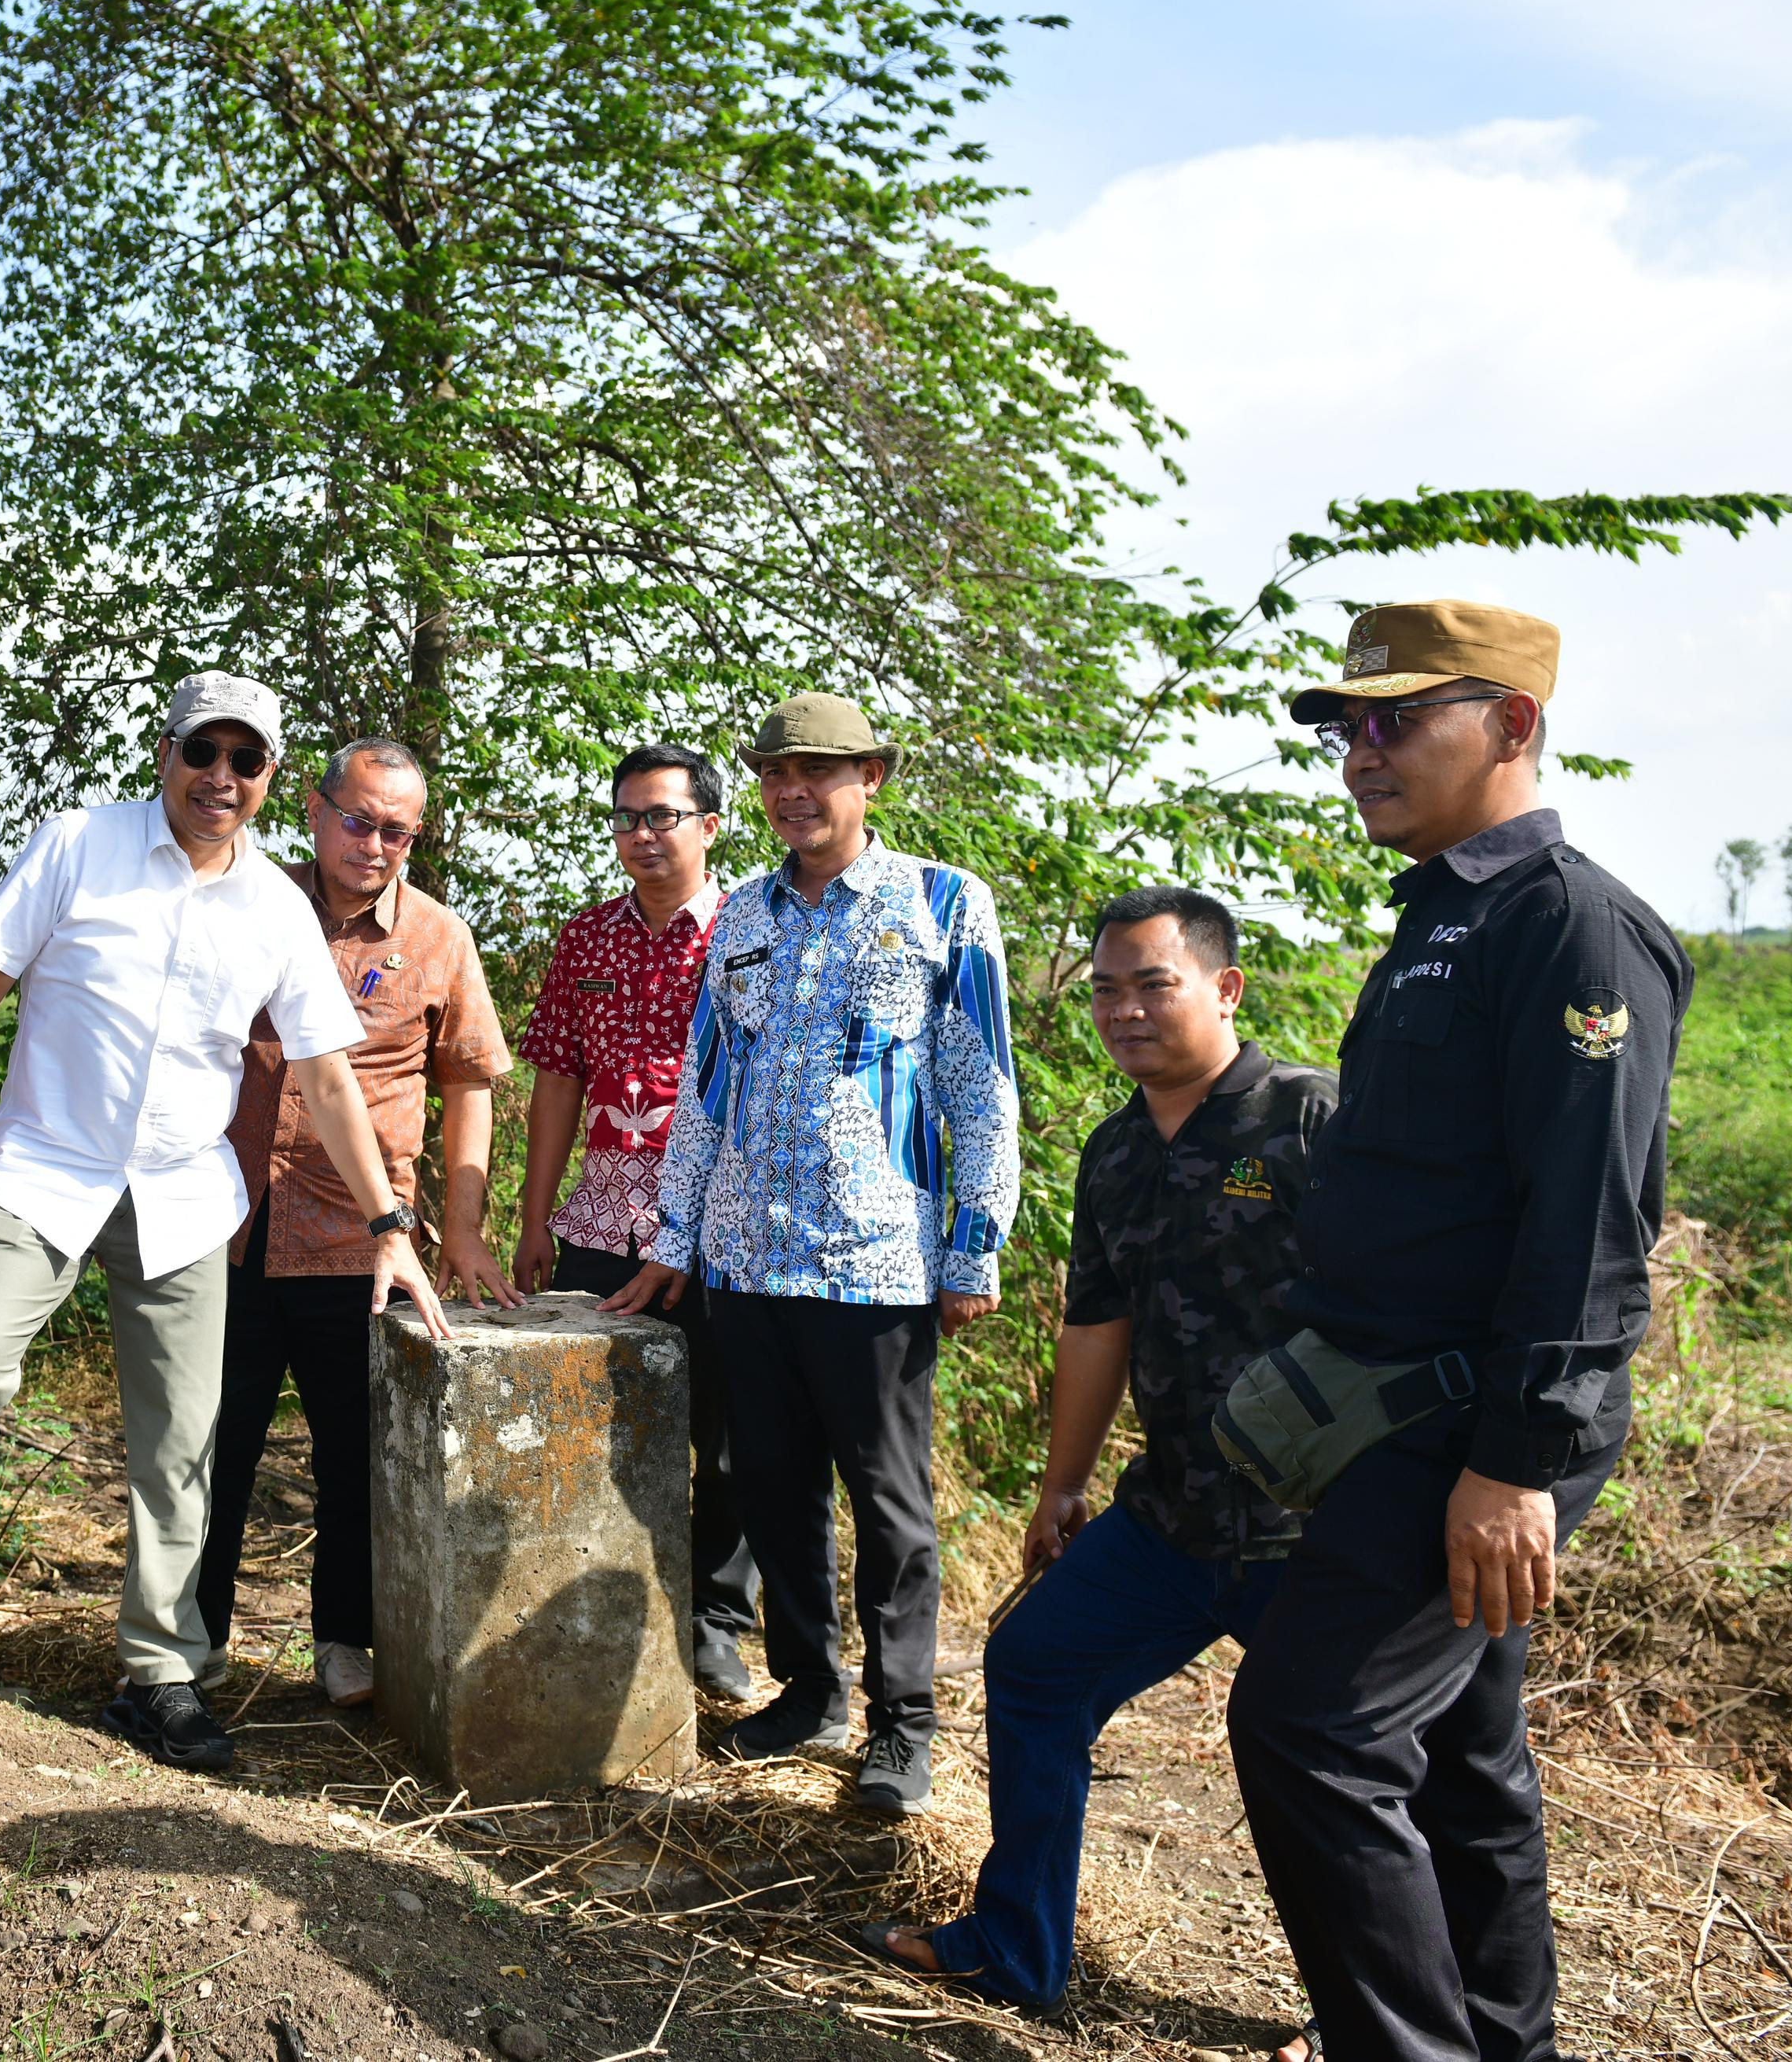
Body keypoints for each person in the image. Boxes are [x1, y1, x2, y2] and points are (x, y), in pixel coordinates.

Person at [0, 673, 452, 1770]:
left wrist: (392, 1222)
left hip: (179, 1193)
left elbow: (330, 1076)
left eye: (244, 761)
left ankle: (159, 1670)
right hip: (42, 1169)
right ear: (164, 753)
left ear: (270, 781)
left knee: (183, 1435)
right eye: (202, 752)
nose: (221, 777)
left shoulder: (274, 907)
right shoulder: (77, 843)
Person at [1227, 600, 1688, 2062]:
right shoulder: (1443, 910)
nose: (1358, 753)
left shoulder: (1569, 921)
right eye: (1345, 725)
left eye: (1395, 719)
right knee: (1463, 1757)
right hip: (1392, 1404)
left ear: (1514, 724)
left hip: (1464, 1426)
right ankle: (1503, 2039)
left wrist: (1515, 1463)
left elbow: (1591, 1223)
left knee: (1313, 1726)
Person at [855, 887, 1334, 2009]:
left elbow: (1412, 1303)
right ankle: (1015, 1949)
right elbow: (1096, 1323)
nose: (1124, 1010)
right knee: (1035, 1666)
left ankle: (1360, 2007)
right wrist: (1063, 1483)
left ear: (1225, 989)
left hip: (1317, 1528)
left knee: (1325, 1756)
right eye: (1107, 987)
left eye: (1153, 983)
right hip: (1172, 1514)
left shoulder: (1312, 1121)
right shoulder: (1117, 1149)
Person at [607, 692, 1018, 1818]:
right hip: (746, 1259)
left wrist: (974, 1242)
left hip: (878, 1261)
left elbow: (979, 1083)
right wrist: (681, 1237)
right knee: (771, 1485)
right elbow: (704, 1089)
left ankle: (903, 1724)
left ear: (871, 776)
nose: (797, 790)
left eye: (821, 771)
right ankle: (809, 1689)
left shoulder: (941, 901)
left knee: (890, 1502)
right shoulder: (741, 913)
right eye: (780, 772)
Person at [197, 738, 516, 1707]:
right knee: (209, 1446)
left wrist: (458, 1228)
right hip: (226, 1225)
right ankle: (189, 1634)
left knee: (354, 1455)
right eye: (357, 819)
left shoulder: (436, 936)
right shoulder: (240, 899)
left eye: (396, 829)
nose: (373, 843)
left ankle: (343, 1637)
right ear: (312, 808)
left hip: (362, 1241)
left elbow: (468, 1082)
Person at [511, 742, 763, 1703]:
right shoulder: (585, 940)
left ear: (708, 824)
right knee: (591, 1428)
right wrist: (535, 1220)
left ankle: (713, 1623)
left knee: (729, 1438)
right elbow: (556, 1081)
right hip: (600, 1221)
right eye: (626, 817)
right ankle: (586, 1610)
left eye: (663, 815)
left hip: (719, 1228)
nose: (643, 834)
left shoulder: (753, 932)